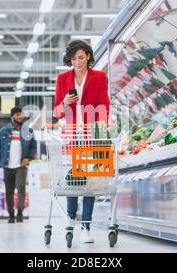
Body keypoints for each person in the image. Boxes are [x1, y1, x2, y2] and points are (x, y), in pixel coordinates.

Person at [54, 40, 110, 243]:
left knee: (89, 181)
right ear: (69, 60)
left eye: (80, 57)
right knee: (73, 179)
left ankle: (86, 226)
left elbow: (104, 102)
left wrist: (100, 127)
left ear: (88, 56)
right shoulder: (62, 79)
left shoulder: (99, 77)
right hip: (70, 135)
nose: (77, 62)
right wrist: (64, 103)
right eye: (73, 58)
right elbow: (57, 112)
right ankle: (70, 218)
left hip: (92, 134)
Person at [0, 107, 37, 223]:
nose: (20, 116)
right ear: (12, 117)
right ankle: (11, 214)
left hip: (21, 166)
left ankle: (20, 212)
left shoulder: (28, 131)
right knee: (9, 191)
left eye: (21, 114)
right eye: (17, 114)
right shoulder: (3, 131)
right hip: (7, 166)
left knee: (21, 187)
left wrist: (28, 158)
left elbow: (33, 146)